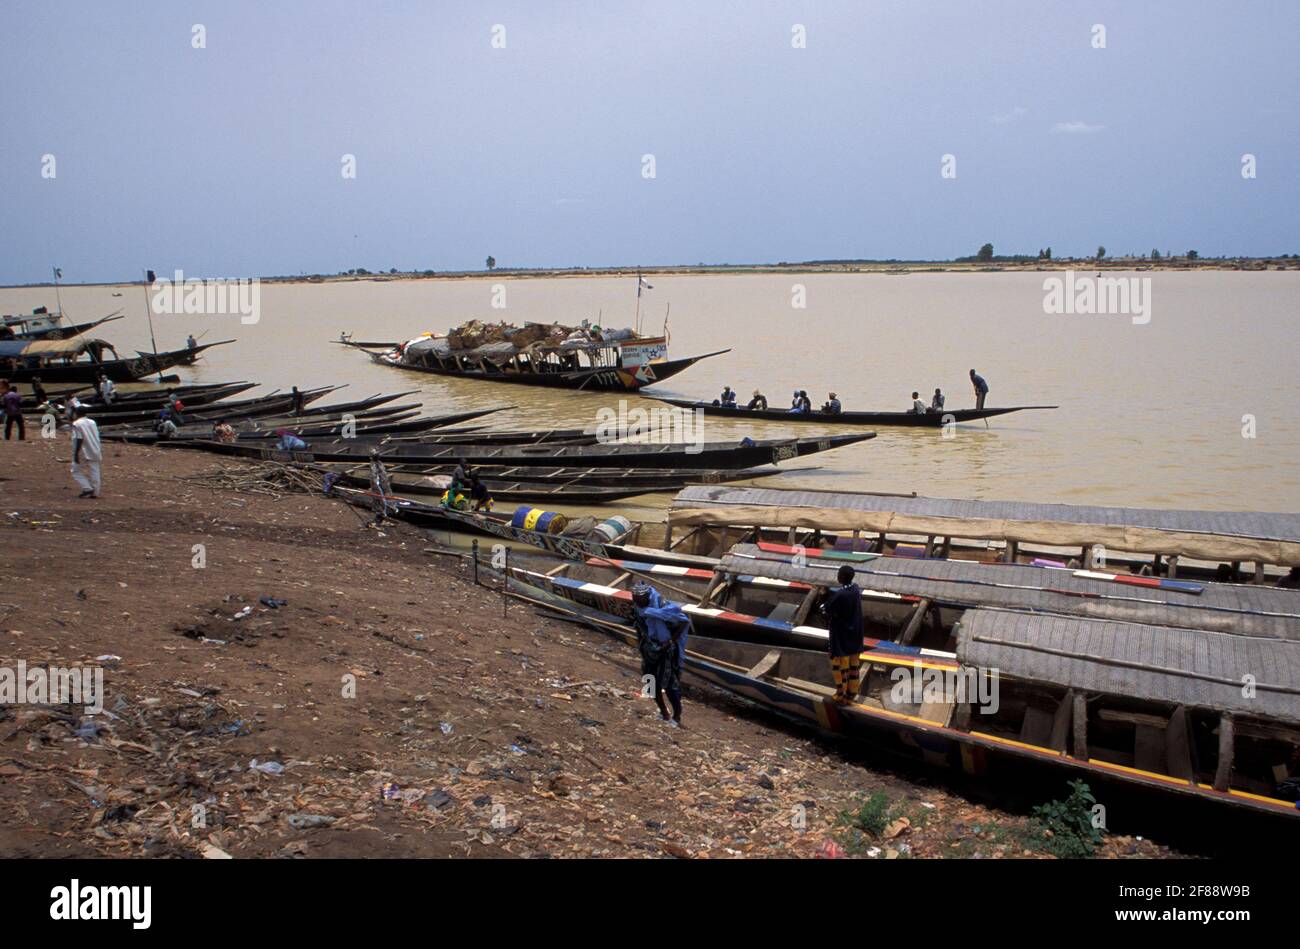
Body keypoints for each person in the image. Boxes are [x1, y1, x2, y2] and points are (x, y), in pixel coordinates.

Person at [631, 583, 691, 727]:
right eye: (635, 598)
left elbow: (683, 622)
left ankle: (677, 716)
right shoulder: (638, 608)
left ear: (647, 597)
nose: (638, 601)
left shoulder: (662, 606)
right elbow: (640, 626)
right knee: (649, 681)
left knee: (670, 684)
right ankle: (663, 712)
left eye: (641, 598)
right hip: (649, 647)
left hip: (666, 649)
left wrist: (670, 642)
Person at [819, 564, 864, 703]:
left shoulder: (840, 595)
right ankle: (851, 694)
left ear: (842, 577)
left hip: (841, 636)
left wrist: (823, 596)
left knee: (840, 666)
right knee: (853, 665)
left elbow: (825, 610)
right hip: (855, 634)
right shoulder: (855, 589)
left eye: (839, 574)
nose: (837, 576)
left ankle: (841, 695)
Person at [70, 406, 102, 498]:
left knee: (75, 471)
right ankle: (95, 492)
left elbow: (79, 438)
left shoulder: (77, 424)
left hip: (84, 450)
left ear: (77, 413)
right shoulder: (92, 422)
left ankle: (87, 488)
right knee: (95, 470)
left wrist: (76, 453)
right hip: (95, 448)